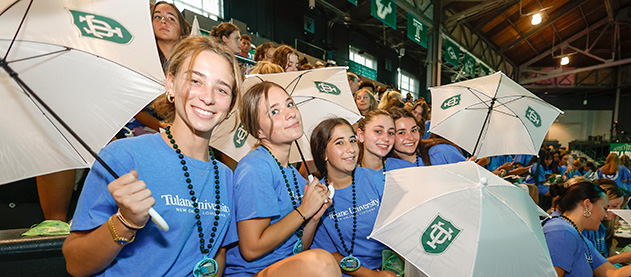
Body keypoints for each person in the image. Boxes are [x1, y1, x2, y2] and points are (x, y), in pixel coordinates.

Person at [63, 36, 241, 276]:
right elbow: (75, 264)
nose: (208, 97)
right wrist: (125, 222)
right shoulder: (123, 156)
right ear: (171, 85)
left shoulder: (227, 177)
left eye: (221, 89)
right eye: (196, 81)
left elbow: (215, 254)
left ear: (230, 104)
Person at [224, 81, 340, 276]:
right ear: (258, 131)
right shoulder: (256, 167)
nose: (290, 113)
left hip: (284, 266)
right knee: (322, 263)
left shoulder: (295, 176)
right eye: (274, 112)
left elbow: (298, 249)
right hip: (252, 272)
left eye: (290, 104)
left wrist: (313, 218)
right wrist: (304, 210)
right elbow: (251, 249)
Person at [310, 118, 398, 276]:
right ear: (323, 153)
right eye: (339, 143)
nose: (351, 149)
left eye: (352, 140)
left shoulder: (377, 180)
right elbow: (328, 253)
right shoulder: (317, 196)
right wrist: (371, 275)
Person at [126, 1, 190, 137]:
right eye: (157, 17)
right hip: (139, 131)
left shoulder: (188, 65)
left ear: (181, 30)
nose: (163, 21)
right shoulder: (140, 61)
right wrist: (160, 125)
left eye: (170, 18)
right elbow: (134, 108)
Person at [543, 178, 631, 276]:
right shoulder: (562, 232)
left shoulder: (577, 235)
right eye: (604, 208)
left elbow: (613, 273)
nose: (605, 215)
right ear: (587, 205)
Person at [386, 107, 465, 170]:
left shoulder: (441, 151)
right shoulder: (387, 168)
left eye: (413, 130)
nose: (411, 137)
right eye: (401, 133)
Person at [582, 180, 631, 263]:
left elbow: (604, 255)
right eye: (614, 206)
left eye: (620, 206)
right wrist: (622, 257)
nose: (618, 211)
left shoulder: (601, 227)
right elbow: (588, 264)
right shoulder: (584, 230)